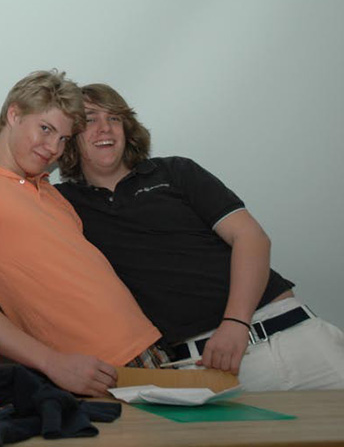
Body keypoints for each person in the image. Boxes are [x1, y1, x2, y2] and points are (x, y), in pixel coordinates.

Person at [54, 83, 344, 391]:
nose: (105, 128)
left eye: (114, 118)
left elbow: (251, 238)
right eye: (91, 119)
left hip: (292, 336)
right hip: (206, 369)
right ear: (69, 136)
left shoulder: (174, 171)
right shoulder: (62, 203)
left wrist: (235, 322)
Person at [0, 70, 163, 397]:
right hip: (94, 371)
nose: (53, 148)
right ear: (14, 115)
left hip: (148, 349)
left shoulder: (53, 193)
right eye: (46, 129)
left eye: (64, 139)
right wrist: (51, 362)